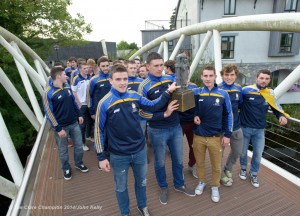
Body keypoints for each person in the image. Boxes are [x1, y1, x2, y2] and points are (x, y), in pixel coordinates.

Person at [95, 64, 179, 216]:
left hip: (140, 151)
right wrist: (101, 157)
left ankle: (142, 206)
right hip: (119, 155)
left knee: (141, 182)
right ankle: (125, 213)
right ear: (111, 81)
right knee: (121, 187)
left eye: (125, 79)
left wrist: (167, 93)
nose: (122, 83)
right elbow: (98, 131)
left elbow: (152, 106)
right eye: (118, 79)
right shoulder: (104, 103)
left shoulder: (134, 96)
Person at [138, 52, 195, 205]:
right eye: (155, 66)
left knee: (178, 159)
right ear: (148, 66)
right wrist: (164, 113)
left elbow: (185, 86)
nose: (159, 68)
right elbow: (142, 112)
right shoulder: (143, 86)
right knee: (160, 162)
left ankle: (179, 184)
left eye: (161, 65)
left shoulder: (169, 78)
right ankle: (163, 187)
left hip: (176, 126)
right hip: (157, 130)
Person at [239, 69, 289, 188]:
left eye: (266, 79)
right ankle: (243, 169)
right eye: (261, 78)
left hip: (259, 130)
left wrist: (281, 115)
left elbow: (275, 107)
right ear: (256, 78)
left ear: (269, 80)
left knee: (258, 154)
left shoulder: (270, 93)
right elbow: (236, 104)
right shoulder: (246, 90)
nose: (264, 81)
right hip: (244, 127)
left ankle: (254, 173)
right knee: (242, 152)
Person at [193, 65, 233, 203]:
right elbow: (192, 110)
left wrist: (228, 135)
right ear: (201, 77)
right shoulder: (197, 92)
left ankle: (215, 186)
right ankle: (202, 181)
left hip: (216, 137)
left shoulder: (223, 93)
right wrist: (194, 116)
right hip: (198, 136)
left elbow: (229, 114)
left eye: (211, 76)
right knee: (200, 162)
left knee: (216, 164)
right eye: (205, 76)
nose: (208, 78)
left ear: (215, 77)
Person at [43, 67, 88, 180]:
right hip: (61, 127)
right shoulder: (48, 93)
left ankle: (78, 163)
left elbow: (73, 102)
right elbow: (49, 112)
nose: (66, 76)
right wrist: (58, 128)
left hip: (74, 123)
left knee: (78, 145)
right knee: (63, 150)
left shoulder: (67, 86)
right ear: (58, 76)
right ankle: (66, 168)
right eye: (64, 74)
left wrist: (79, 114)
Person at [218, 64, 243, 186]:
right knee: (219, 154)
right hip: (221, 129)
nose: (229, 77)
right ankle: (220, 175)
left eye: (232, 74)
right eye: (226, 75)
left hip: (236, 127)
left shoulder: (239, 89)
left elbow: (241, 106)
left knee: (237, 151)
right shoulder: (217, 88)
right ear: (222, 75)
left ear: (236, 75)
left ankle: (228, 168)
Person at [71, 62, 91, 151]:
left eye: (87, 68)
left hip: (89, 104)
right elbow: (73, 91)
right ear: (80, 69)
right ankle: (82, 143)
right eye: (84, 68)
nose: (86, 70)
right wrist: (78, 103)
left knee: (90, 122)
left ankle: (88, 136)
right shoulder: (76, 79)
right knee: (82, 125)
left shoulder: (90, 77)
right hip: (81, 105)